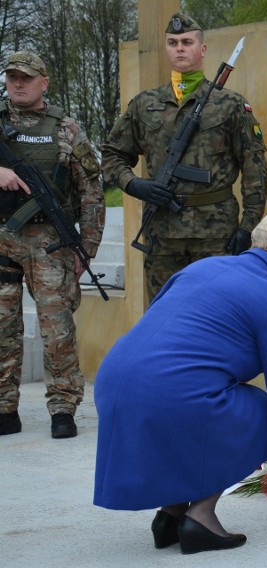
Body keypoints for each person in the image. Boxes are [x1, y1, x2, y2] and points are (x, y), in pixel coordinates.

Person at [93, 210, 267, 554]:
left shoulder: (201, 267)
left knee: (204, 402)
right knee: (263, 412)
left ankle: (172, 513)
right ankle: (201, 517)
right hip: (168, 391)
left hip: (115, 381)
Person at [101, 11, 267, 303]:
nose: (179, 48)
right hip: (162, 235)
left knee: (219, 316)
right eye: (173, 42)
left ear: (202, 50)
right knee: (164, 317)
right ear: (166, 48)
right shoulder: (144, 105)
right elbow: (112, 155)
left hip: (217, 234)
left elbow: (255, 168)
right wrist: (134, 184)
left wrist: (248, 227)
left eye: (187, 42)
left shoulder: (229, 105)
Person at [0, 51, 104, 438]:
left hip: (51, 243)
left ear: (44, 81)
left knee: (56, 329)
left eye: (26, 77)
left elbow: (91, 190)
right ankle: (4, 408)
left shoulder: (66, 128)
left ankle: (63, 407)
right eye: (12, 77)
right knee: (1, 328)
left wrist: (87, 247)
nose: (18, 84)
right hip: (2, 240)